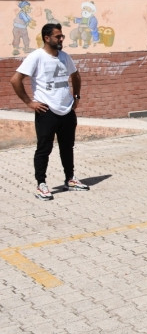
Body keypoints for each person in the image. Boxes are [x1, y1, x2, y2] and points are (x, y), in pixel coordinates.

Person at [10, 23, 88, 201]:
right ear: (47, 38)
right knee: (44, 148)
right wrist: (30, 103)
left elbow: (75, 75)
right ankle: (41, 184)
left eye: (62, 36)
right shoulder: (36, 57)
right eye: (58, 36)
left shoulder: (64, 57)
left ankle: (70, 179)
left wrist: (76, 97)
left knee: (67, 147)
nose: (61, 39)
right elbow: (15, 80)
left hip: (67, 110)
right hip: (47, 111)